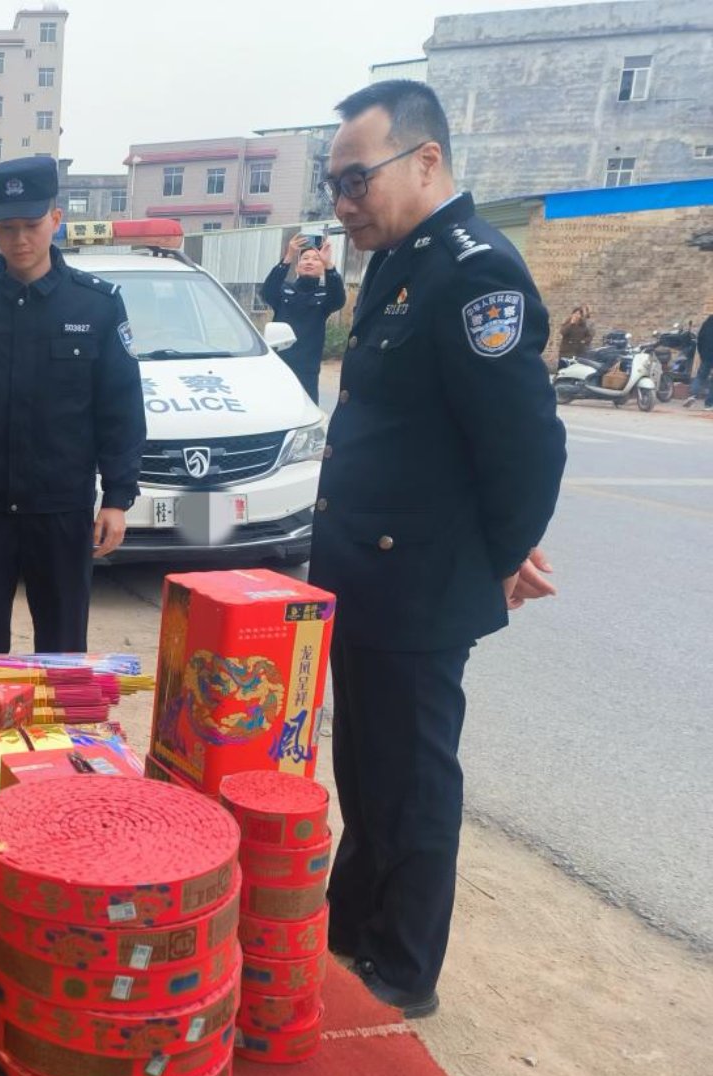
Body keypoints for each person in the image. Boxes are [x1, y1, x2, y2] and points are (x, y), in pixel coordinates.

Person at [310, 81, 567, 1017]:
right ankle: (351, 926)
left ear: (426, 161)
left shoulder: (473, 273)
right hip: (369, 571)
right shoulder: (400, 260)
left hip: (419, 584)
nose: (343, 202)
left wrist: (500, 556)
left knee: (413, 782)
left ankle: (403, 965)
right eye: (334, 184)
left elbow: (525, 445)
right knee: (366, 769)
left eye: (356, 180)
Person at [0, 155, 145, 654]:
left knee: (62, 652)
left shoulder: (97, 306)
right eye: (6, 228)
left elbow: (121, 410)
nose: (19, 239)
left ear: (55, 220)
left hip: (61, 510)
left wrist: (117, 498)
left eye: (31, 225)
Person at [259, 234, 347, 403]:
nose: (309, 262)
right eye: (305, 258)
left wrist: (329, 265)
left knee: (306, 410)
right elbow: (267, 292)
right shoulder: (284, 290)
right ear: (297, 267)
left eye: (316, 259)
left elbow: (338, 300)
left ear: (322, 268)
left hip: (307, 370)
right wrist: (288, 256)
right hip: (279, 364)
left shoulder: (325, 295)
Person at [690, 313, 713, 408]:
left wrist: (702, 354)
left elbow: (700, 338)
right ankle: (709, 403)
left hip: (706, 355)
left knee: (700, 376)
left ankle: (692, 395)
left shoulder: (707, 323)